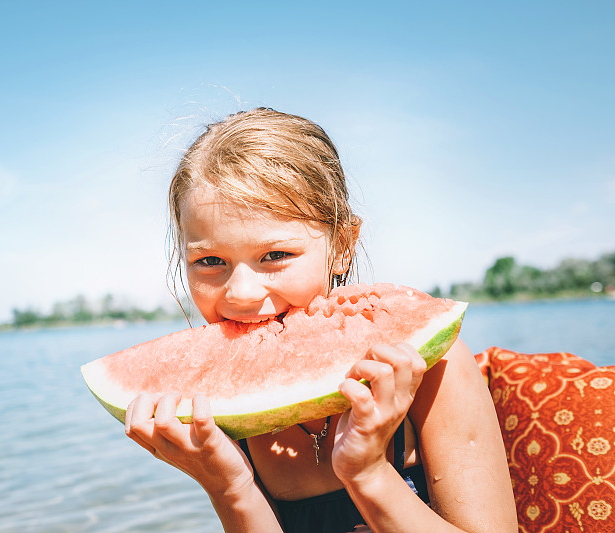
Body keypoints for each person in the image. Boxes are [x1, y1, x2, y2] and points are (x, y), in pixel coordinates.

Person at [124, 108, 517, 532]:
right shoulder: (217, 405)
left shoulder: (434, 370)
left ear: (343, 245)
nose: (240, 293)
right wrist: (230, 488)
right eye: (209, 261)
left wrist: (369, 473)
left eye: (275, 255)